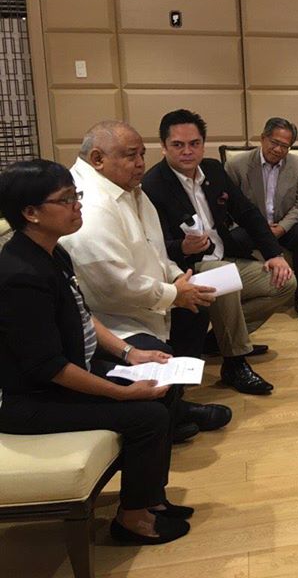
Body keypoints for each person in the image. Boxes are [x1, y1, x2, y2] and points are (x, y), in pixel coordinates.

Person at [0, 160, 192, 545]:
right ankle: (131, 519)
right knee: (147, 416)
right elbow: (48, 367)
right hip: (28, 399)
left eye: (77, 196)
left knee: (163, 383)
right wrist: (123, 392)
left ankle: (150, 498)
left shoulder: (53, 253)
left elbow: (84, 318)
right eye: (66, 199)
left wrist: (129, 354)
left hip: (67, 371)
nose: (78, 206)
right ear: (31, 213)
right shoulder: (20, 276)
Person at [62, 121, 231, 438]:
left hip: (144, 302)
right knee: (160, 351)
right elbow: (114, 284)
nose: (141, 163)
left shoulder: (129, 190)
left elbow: (155, 253)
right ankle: (162, 416)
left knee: (196, 310)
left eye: (142, 154)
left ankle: (174, 403)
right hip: (109, 320)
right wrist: (173, 294)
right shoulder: (93, 206)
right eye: (130, 156)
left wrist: (180, 280)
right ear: (98, 159)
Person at [142, 110, 296, 396]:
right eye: (178, 145)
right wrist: (182, 247)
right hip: (188, 269)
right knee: (219, 278)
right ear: (163, 146)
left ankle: (217, 341)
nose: (187, 151)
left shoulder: (213, 170)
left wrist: (274, 254)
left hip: (225, 257)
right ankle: (235, 362)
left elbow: (248, 214)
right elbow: (153, 244)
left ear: (203, 144)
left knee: (284, 281)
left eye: (194, 143)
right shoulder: (153, 185)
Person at [225, 117, 298, 322]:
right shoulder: (237, 165)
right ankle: (247, 293)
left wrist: (282, 228)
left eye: (285, 146)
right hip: (251, 226)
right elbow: (229, 205)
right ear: (263, 138)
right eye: (274, 142)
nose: (278, 150)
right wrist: (260, 229)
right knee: (234, 239)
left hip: (283, 225)